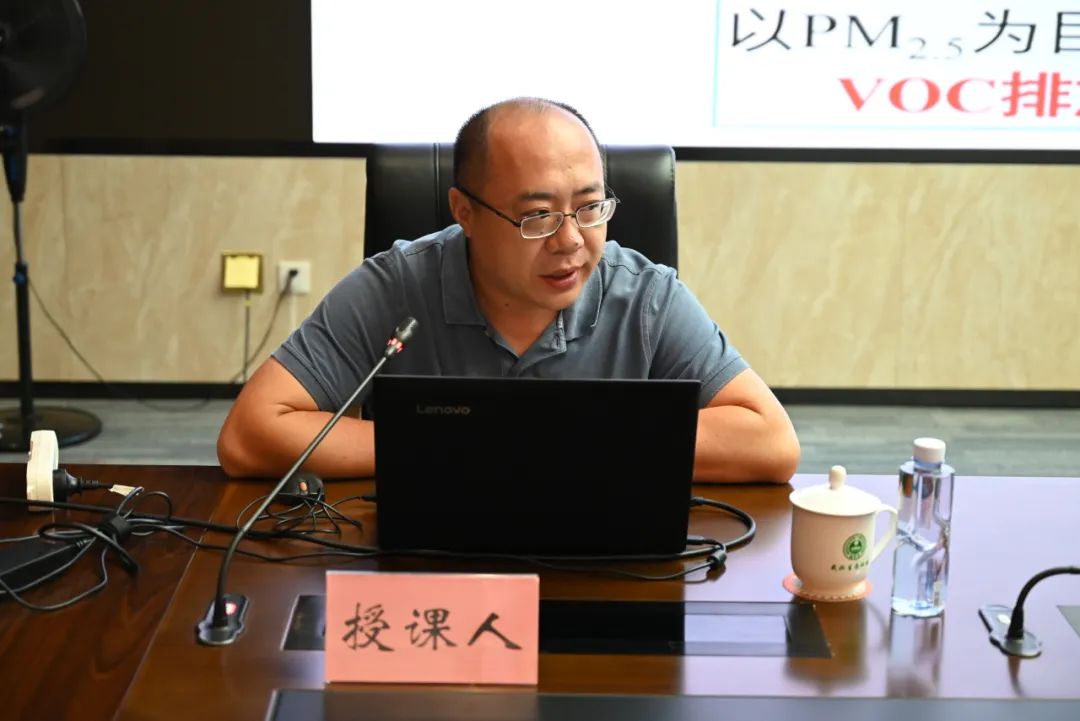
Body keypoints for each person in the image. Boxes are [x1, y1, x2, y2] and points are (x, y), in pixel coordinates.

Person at [217, 97, 800, 483]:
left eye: (591, 207)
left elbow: (771, 443)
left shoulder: (645, 295)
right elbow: (250, 435)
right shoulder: (396, 286)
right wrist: (462, 445)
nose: (571, 241)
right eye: (537, 216)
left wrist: (553, 443)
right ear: (465, 212)